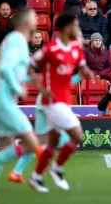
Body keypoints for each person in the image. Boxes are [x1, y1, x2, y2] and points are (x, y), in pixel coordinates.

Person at [0, 8, 43, 202]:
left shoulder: (14, 40)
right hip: (4, 100)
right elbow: (4, 67)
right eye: (33, 16)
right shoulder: (18, 40)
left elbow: (13, 67)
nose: (36, 19)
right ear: (26, 22)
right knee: (31, 144)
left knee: (5, 150)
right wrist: (18, 88)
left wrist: (30, 78)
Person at [28, 13, 94, 193]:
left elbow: (81, 67)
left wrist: (86, 72)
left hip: (64, 101)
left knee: (52, 143)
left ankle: (36, 177)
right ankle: (57, 168)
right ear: (66, 28)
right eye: (75, 25)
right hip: (52, 101)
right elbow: (29, 64)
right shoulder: (50, 49)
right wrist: (40, 88)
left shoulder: (75, 48)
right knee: (78, 136)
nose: (77, 29)